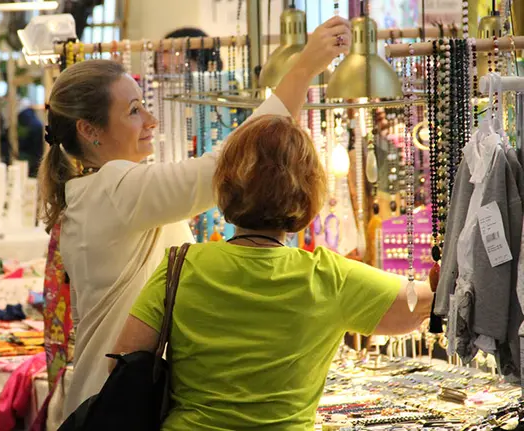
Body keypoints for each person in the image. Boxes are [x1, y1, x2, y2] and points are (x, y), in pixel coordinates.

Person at [37, 16, 353, 415]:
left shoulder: (100, 190)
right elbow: (227, 163)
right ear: (89, 129)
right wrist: (304, 68)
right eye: (134, 111)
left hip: (124, 395)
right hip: (122, 403)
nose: (150, 121)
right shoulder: (114, 188)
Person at [113, 115, 434, 430]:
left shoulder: (180, 265)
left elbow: (124, 360)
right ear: (308, 192)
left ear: (225, 184)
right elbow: (421, 304)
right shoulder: (329, 276)